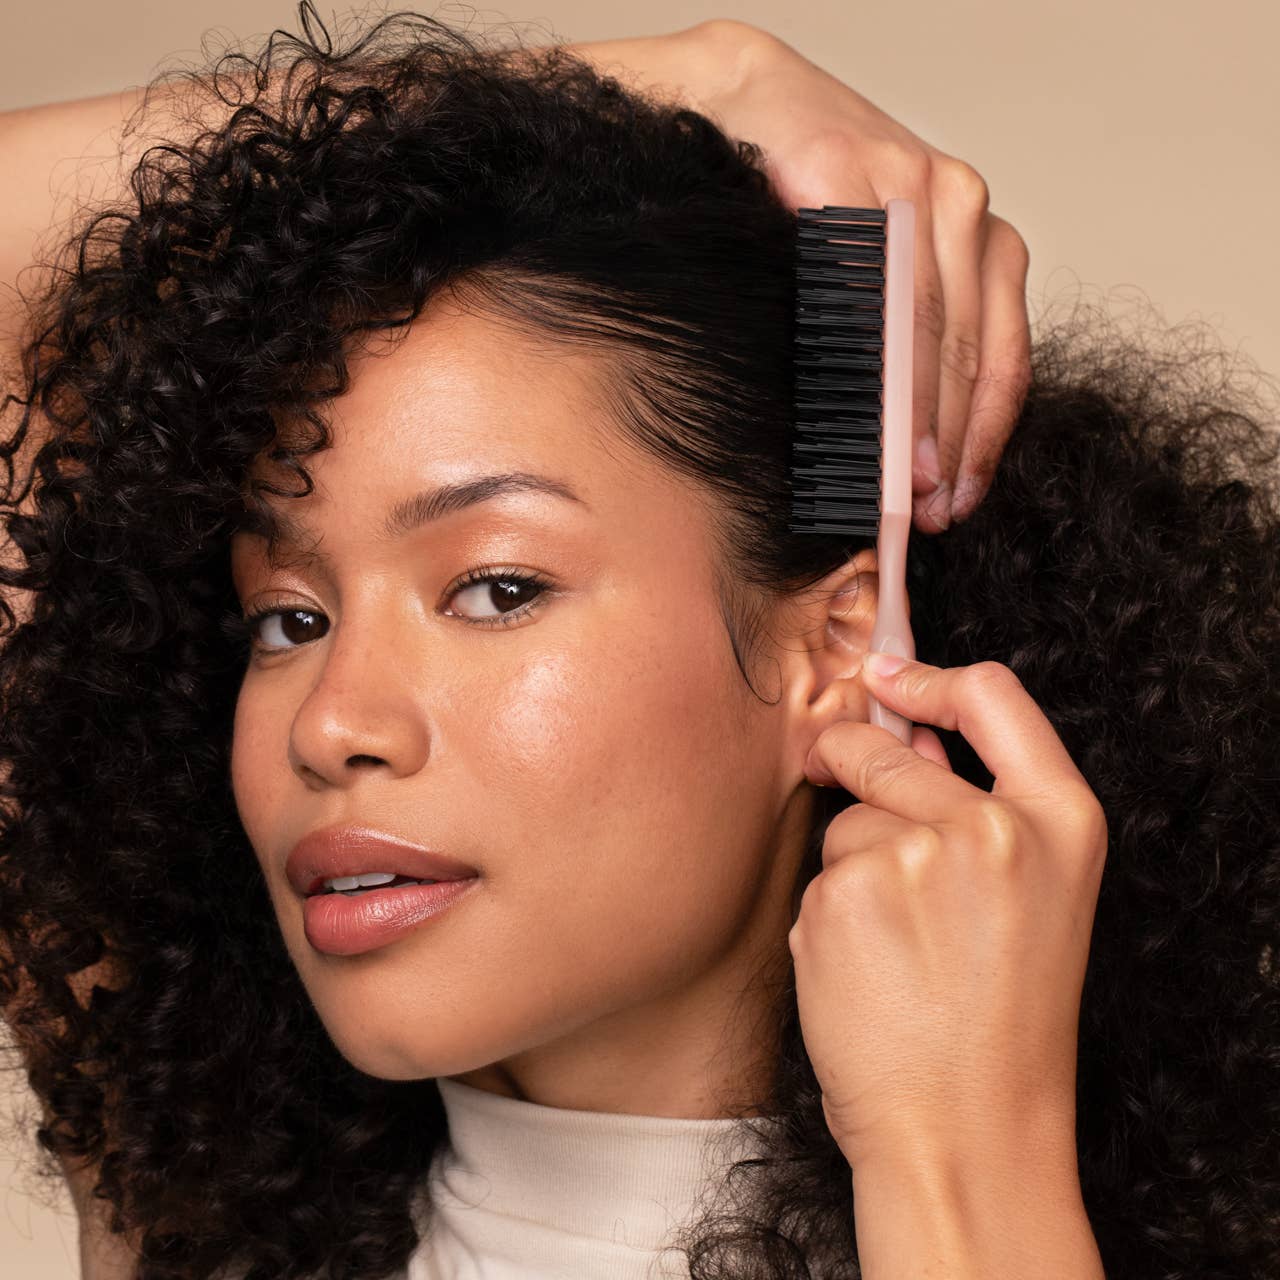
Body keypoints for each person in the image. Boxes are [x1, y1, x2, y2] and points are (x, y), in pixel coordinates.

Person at [1, 6, 1276, 1280]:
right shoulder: (200, 1222)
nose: (330, 723)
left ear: (837, 648)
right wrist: (701, 77)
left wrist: (958, 1144)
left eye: (494, 588)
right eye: (289, 618)